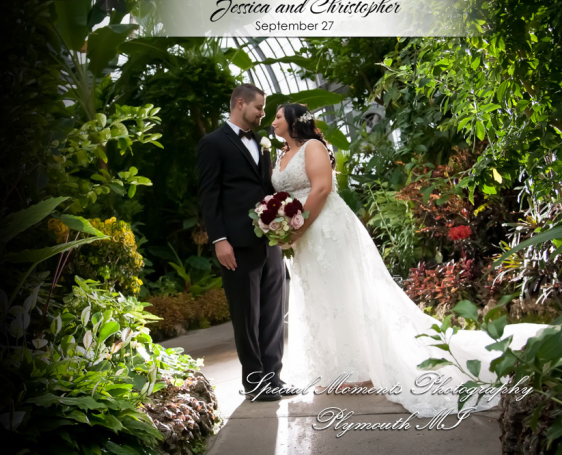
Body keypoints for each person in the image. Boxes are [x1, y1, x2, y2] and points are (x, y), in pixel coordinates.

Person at [270, 102, 548, 417]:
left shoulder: (313, 147)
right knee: (317, 295)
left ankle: (360, 368)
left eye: (278, 115)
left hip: (324, 227)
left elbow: (321, 189)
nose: (273, 120)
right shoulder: (280, 155)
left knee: (342, 293)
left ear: (294, 121)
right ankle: (334, 367)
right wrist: (280, 225)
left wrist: (298, 225)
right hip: (301, 235)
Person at [196, 83, 290, 402]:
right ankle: (255, 383)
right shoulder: (212, 144)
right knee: (246, 315)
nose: (263, 114)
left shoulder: (262, 144)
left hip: (270, 240)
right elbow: (209, 195)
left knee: (273, 311)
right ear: (240, 104)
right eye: (259, 108)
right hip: (235, 243)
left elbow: (266, 186)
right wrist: (219, 240)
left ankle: (273, 377)